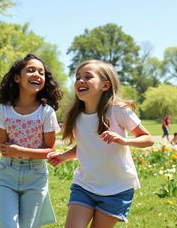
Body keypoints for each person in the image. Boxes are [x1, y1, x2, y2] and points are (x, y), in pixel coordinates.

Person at [47, 60, 154, 228]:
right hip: (85, 185)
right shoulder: (77, 116)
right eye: (78, 77)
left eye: (88, 77)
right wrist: (63, 157)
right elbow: (85, 146)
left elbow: (148, 139)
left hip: (117, 188)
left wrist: (124, 140)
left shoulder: (118, 111)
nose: (80, 81)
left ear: (105, 85)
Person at [0, 53, 63, 228]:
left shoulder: (46, 112)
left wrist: (19, 151)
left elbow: (49, 151)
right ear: (17, 78)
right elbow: (4, 148)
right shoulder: (4, 109)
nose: (37, 75)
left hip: (36, 176)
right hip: (6, 174)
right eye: (31, 70)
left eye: (41, 73)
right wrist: (12, 152)